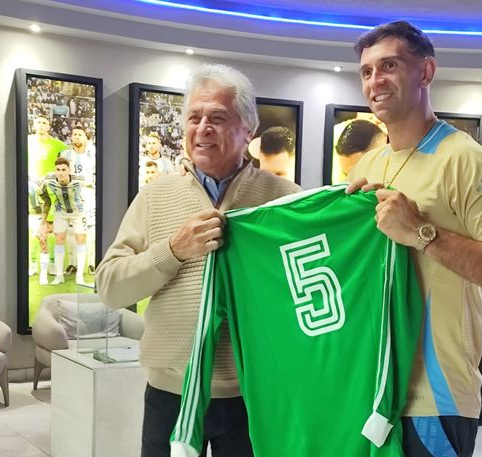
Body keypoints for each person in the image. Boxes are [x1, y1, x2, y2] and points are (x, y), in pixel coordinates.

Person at [345, 21, 482, 456]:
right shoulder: (368, 165)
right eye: (366, 71)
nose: (375, 81)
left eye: (390, 65)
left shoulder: (465, 160)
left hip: (433, 400)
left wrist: (423, 234)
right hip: (371, 388)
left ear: (426, 71)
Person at [95, 63, 301, 457]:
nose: (203, 128)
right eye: (194, 117)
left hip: (252, 394)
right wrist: (172, 250)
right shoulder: (155, 196)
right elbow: (110, 288)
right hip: (170, 393)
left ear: (249, 130)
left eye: (218, 118)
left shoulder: (285, 199)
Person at [28, 114, 69, 280]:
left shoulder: (57, 144)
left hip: (51, 192)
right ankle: (32, 263)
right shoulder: (27, 141)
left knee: (51, 229)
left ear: (49, 126)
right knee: (33, 229)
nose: (41, 125)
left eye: (44, 122)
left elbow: (67, 158)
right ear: (34, 124)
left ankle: (52, 263)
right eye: (38, 122)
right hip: (31, 189)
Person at [38, 157, 88, 286]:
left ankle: (80, 277)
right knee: (59, 240)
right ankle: (59, 276)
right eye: (58, 170)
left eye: (64, 170)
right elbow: (43, 195)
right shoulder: (48, 179)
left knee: (80, 240)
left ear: (69, 170)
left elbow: (91, 187)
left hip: (78, 212)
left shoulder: (80, 179)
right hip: (61, 211)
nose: (61, 173)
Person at [60, 126, 97, 276]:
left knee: (91, 228)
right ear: (71, 137)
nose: (77, 137)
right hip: (70, 194)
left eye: (80, 134)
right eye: (74, 134)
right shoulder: (65, 154)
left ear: (85, 138)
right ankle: (72, 263)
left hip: (88, 193)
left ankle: (92, 263)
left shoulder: (93, 155)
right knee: (71, 228)